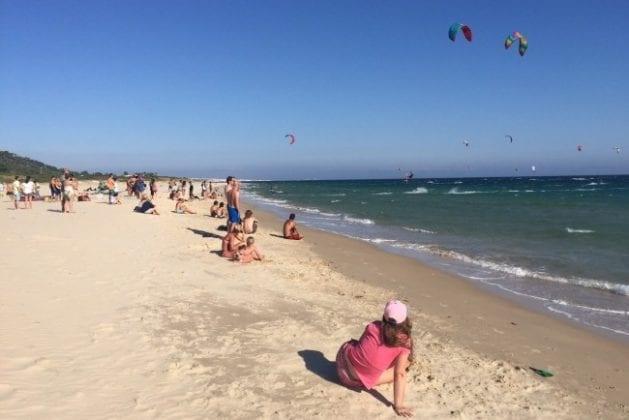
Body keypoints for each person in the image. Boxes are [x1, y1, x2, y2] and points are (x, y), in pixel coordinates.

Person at [336, 300, 414, 417]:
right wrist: (399, 405)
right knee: (405, 365)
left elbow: (361, 344)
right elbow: (399, 374)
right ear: (405, 320)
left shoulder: (374, 326)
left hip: (342, 365)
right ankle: (369, 376)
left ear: (384, 316)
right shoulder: (405, 342)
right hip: (355, 382)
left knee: (357, 345)